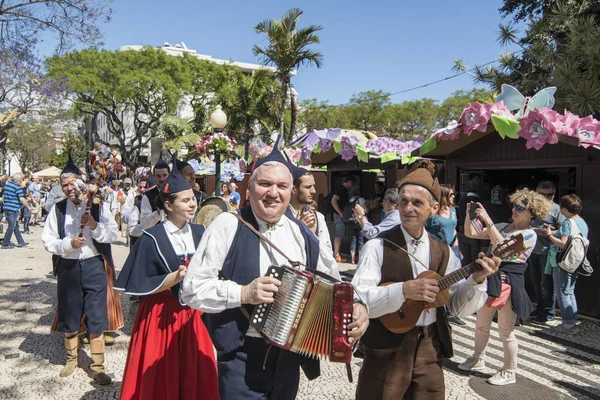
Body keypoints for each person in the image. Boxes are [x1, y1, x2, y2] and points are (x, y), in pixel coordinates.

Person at [181, 142, 369, 400]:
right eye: (265, 184)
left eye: (281, 186)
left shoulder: (302, 233)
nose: (273, 193)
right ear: (250, 187)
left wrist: (357, 306)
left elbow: (334, 279)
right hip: (243, 358)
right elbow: (191, 290)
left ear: (291, 191)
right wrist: (244, 293)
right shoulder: (227, 224)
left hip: (290, 359)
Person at [352, 160, 499, 399]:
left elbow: (457, 308)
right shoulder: (376, 246)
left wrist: (477, 280)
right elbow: (360, 298)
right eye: (403, 201)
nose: (408, 208)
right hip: (386, 347)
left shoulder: (444, 251)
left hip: (430, 347)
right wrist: (404, 291)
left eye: (417, 202)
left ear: (433, 208)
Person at [115, 157, 219, 400]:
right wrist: (173, 278)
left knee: (197, 372)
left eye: (193, 199)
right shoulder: (151, 237)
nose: (192, 204)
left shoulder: (200, 231)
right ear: (169, 205)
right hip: (160, 315)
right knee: (161, 375)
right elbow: (138, 285)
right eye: (185, 201)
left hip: (194, 315)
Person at [459, 189, 550, 386]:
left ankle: (510, 371)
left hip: (511, 281)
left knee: (505, 330)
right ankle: (478, 358)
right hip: (491, 277)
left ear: (532, 214)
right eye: (514, 206)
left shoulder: (529, 235)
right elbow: (471, 233)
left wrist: (488, 221)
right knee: (481, 323)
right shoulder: (504, 226)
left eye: (520, 208)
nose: (515, 210)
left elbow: (503, 248)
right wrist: (469, 214)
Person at [41, 168, 119, 385]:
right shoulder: (57, 209)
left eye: (72, 183)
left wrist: (93, 225)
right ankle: (71, 360)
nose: (69, 188)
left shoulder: (98, 205)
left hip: (94, 264)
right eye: (64, 184)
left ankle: (98, 367)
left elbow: (112, 234)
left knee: (96, 315)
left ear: (81, 183)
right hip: (68, 266)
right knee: (70, 313)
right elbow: (47, 241)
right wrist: (68, 244)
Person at [544, 194, 588, 334]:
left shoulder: (568, 223)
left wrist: (549, 235)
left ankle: (568, 324)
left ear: (564, 208)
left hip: (563, 262)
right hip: (576, 262)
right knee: (570, 291)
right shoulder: (582, 222)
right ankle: (572, 321)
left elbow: (563, 243)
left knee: (562, 291)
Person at [529, 181, 565, 326]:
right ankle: (539, 309)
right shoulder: (532, 208)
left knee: (547, 283)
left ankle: (548, 313)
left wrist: (547, 233)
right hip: (532, 250)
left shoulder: (557, 210)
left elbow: (563, 231)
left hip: (548, 252)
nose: (544, 197)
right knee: (536, 282)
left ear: (553, 194)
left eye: (548, 195)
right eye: (541, 194)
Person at [289, 166, 331, 250]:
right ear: (294, 189)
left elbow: (327, 255)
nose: (313, 191)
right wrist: (299, 230)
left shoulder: (318, 218)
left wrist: (311, 235)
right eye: (308, 187)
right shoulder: (281, 218)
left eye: (313, 186)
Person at [426, 184, 460, 258]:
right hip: (437, 251)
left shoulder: (453, 210)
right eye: (451, 194)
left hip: (453, 249)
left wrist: (456, 244)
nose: (453, 196)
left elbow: (453, 228)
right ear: (444, 196)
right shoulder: (432, 214)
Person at [457, 174, 484, 265]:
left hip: (464, 232)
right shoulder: (479, 202)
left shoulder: (461, 201)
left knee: (465, 258)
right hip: (475, 233)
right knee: (474, 259)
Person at [139, 152, 170, 229]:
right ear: (154, 177)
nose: (162, 179)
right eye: (158, 176)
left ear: (169, 175)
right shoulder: (147, 197)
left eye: (164, 175)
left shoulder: (177, 193)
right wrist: (158, 214)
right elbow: (144, 224)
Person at [1, 172, 30, 249]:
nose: (22, 181)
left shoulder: (7, 185)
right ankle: (5, 243)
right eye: (21, 179)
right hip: (13, 208)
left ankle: (20, 241)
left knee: (15, 225)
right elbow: (22, 198)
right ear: (19, 179)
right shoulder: (17, 187)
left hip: (7, 207)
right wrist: (28, 207)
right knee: (11, 226)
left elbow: (3, 196)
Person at [331, 176, 356, 262]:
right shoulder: (340, 189)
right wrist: (341, 213)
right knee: (339, 234)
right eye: (351, 183)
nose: (352, 185)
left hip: (340, 215)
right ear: (348, 181)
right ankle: (336, 254)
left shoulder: (343, 190)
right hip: (339, 215)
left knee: (340, 234)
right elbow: (333, 201)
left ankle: (337, 253)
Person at [347, 185, 367, 264]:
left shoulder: (350, 200)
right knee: (361, 240)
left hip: (352, 221)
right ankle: (360, 259)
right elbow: (365, 210)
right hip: (359, 221)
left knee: (353, 239)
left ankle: (352, 259)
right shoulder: (361, 199)